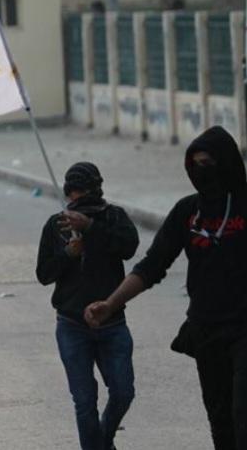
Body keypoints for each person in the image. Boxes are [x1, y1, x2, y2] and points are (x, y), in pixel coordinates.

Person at [85, 126, 247, 450]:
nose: (203, 172)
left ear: (227, 163)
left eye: (210, 163)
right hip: (206, 331)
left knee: (243, 416)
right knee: (221, 421)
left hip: (244, 328)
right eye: (196, 164)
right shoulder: (187, 212)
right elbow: (152, 265)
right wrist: (111, 303)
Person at [37, 162, 140, 450]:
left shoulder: (113, 216)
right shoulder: (56, 225)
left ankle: (102, 441)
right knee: (84, 402)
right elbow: (44, 274)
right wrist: (68, 254)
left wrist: (92, 227)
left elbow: (129, 246)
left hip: (112, 324)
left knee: (123, 392)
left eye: (87, 192)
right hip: (72, 327)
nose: (81, 199)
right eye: (76, 193)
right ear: (68, 194)